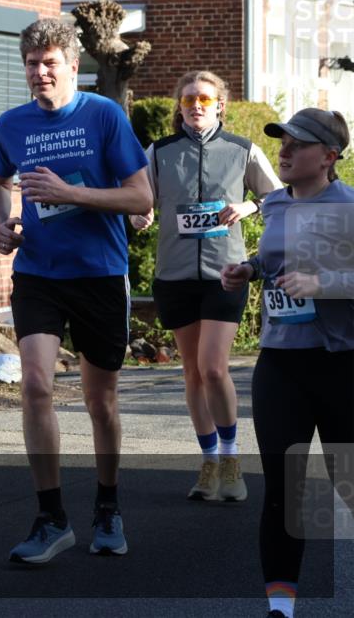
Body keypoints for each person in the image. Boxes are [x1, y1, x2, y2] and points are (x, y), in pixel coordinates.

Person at [0, 18, 152, 563]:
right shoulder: (12, 124)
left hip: (100, 273)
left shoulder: (103, 115)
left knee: (100, 401)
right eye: (31, 64)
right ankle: (51, 517)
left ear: (73, 66)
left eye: (49, 63)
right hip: (38, 274)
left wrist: (69, 195)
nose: (39, 73)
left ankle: (108, 504)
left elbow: (140, 199)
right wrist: (1, 224)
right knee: (34, 384)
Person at [221, 108, 353, 618]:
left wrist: (326, 285)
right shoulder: (272, 204)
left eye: (299, 142)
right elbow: (271, 262)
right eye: (283, 140)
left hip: (341, 363)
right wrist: (247, 270)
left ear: (328, 156)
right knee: (283, 486)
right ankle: (281, 607)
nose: (286, 149)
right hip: (280, 363)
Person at [129, 70, 281, 502]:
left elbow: (277, 197)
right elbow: (138, 197)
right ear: (179, 106)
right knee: (192, 372)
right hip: (174, 276)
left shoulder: (242, 150)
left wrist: (248, 204)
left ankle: (232, 458)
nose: (196, 105)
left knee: (214, 367)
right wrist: (139, 215)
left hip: (225, 274)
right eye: (189, 99)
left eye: (205, 99)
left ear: (220, 106)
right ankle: (209, 460)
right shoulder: (159, 152)